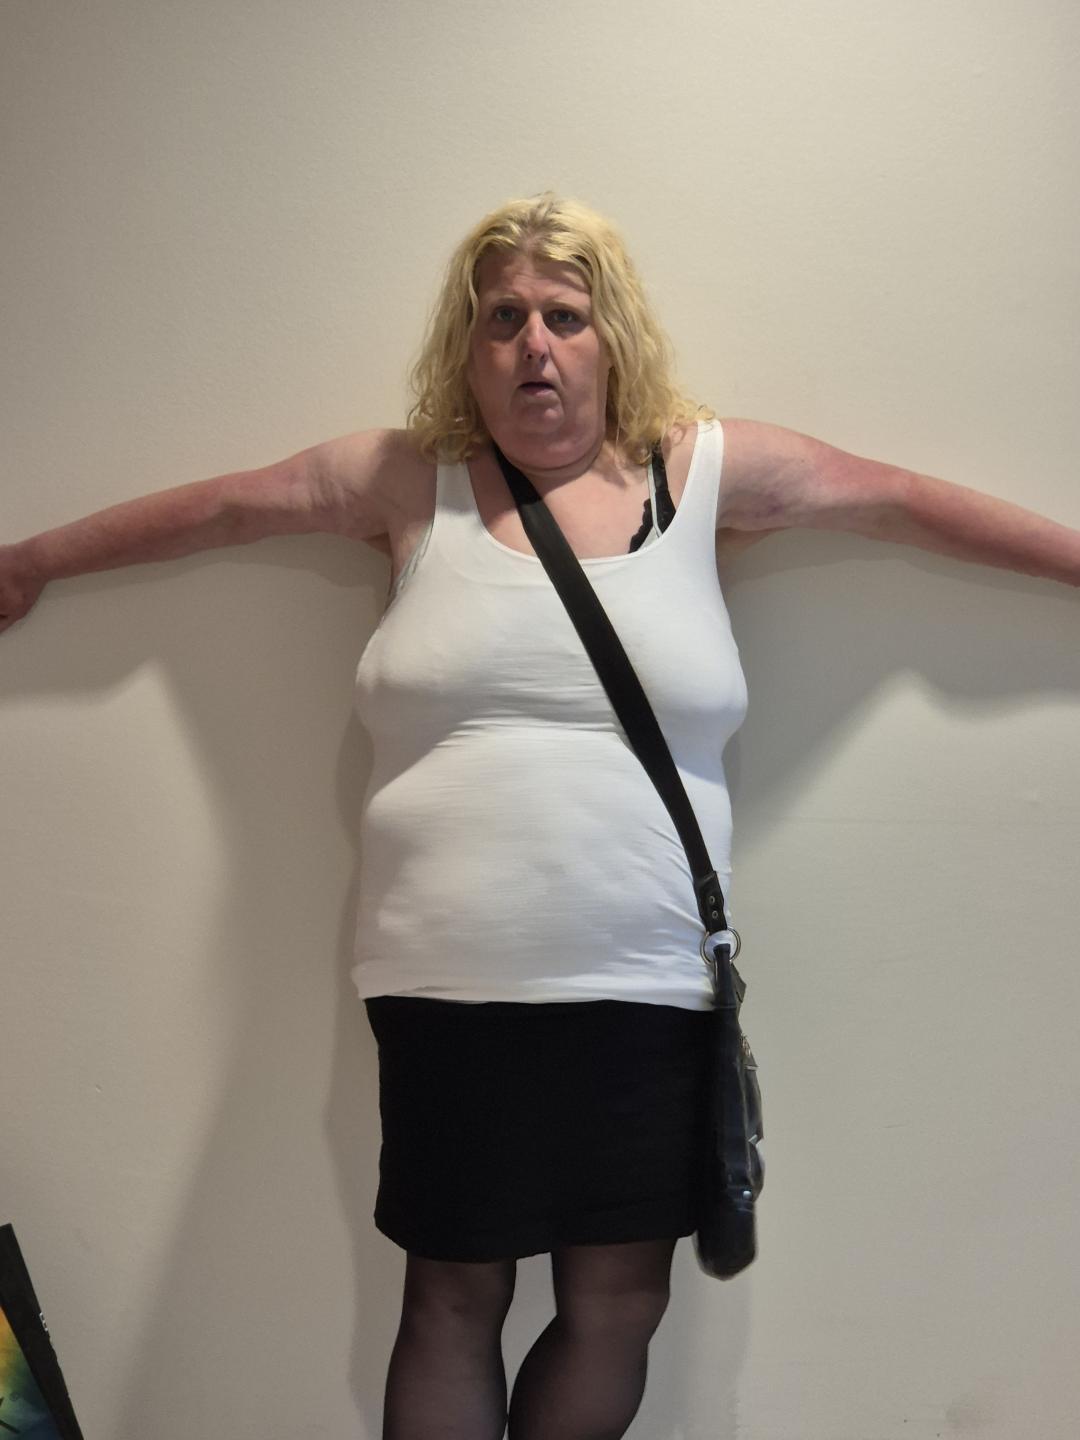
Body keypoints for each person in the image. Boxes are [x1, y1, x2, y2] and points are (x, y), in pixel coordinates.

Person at [1, 194, 1077, 1440]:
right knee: (453, 1293)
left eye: (565, 316)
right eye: (502, 318)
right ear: (467, 349)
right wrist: (31, 561)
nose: (534, 346)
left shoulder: (704, 474)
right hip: (448, 981)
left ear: (613, 338)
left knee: (619, 1302)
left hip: (647, 979)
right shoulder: (413, 482)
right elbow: (230, 508)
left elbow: (898, 500)